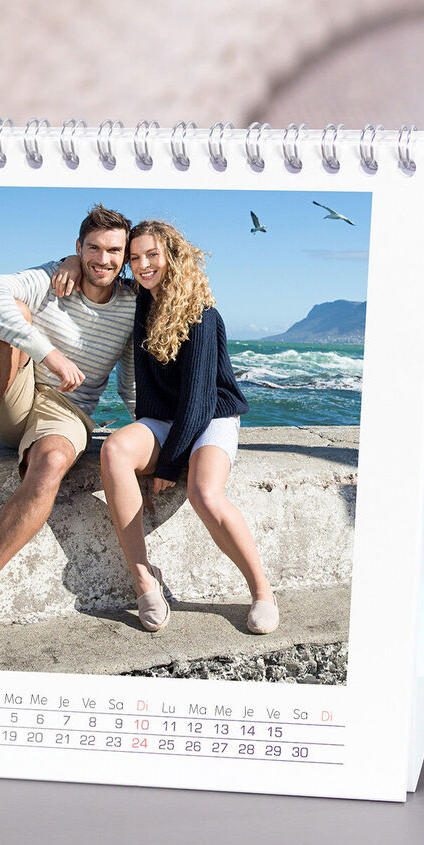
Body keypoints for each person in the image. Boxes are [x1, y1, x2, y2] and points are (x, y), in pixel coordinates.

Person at [0, 205, 137, 662]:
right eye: (94, 248)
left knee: (52, 466)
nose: (104, 259)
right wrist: (50, 354)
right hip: (16, 391)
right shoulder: (50, 277)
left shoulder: (131, 304)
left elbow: (130, 385)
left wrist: (160, 438)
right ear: (78, 248)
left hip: (66, 411)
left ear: (124, 255)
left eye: (114, 251)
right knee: (8, 314)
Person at [94, 220, 278, 634]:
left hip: (211, 416)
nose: (142, 265)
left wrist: (167, 464)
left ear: (172, 256)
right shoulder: (141, 304)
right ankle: (144, 581)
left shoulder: (202, 315)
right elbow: (94, 271)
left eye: (152, 255)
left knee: (204, 493)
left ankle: (262, 592)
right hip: (163, 419)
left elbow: (198, 402)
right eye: (135, 257)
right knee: (114, 450)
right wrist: (72, 263)